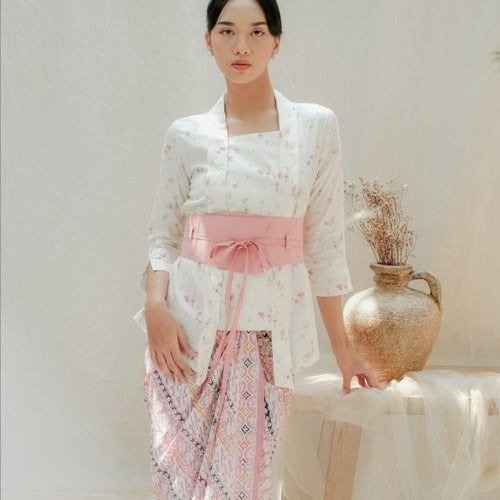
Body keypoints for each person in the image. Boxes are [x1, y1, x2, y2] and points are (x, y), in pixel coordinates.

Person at [132, 0, 382, 498]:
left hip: (265, 341)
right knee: (175, 485)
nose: (241, 46)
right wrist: (155, 307)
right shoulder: (186, 134)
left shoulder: (314, 127)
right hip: (184, 337)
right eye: (226, 31)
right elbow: (162, 236)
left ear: (276, 42)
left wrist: (343, 348)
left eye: (256, 32)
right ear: (208, 40)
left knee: (245, 486)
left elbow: (324, 245)